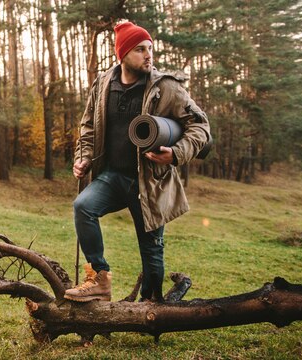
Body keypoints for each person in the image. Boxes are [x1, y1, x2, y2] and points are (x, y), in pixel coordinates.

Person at [64, 22, 211, 303]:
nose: (148, 55)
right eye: (140, 49)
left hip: (149, 183)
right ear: (123, 54)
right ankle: (99, 279)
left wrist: (176, 153)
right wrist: (82, 158)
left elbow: (200, 127)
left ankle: (151, 308)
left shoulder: (166, 87)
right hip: (112, 177)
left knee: (151, 250)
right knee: (83, 206)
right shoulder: (104, 83)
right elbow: (87, 128)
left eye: (150, 49)